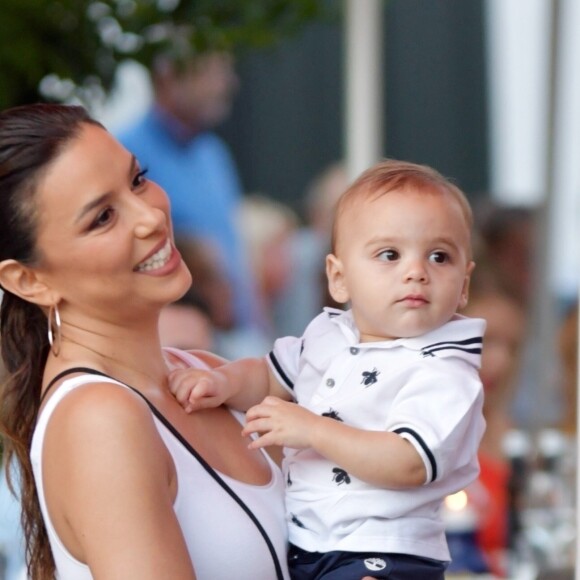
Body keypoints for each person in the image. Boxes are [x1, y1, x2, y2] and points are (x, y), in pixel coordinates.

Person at [0, 103, 290, 579]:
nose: (150, 215)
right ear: (30, 281)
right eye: (102, 217)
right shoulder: (98, 417)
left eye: (138, 179)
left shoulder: (206, 372)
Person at [170, 159, 487, 579]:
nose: (416, 272)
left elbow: (409, 461)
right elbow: (268, 374)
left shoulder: (444, 370)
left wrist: (313, 429)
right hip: (308, 544)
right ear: (339, 278)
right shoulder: (326, 337)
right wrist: (221, 381)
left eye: (439, 257)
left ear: (464, 285)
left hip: (382, 553)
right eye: (389, 254)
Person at [116, 50, 263, 340]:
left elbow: (233, 246)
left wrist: (256, 322)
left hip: (231, 331)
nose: (228, 83)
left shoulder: (213, 152)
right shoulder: (125, 152)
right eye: (213, 72)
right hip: (174, 335)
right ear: (167, 79)